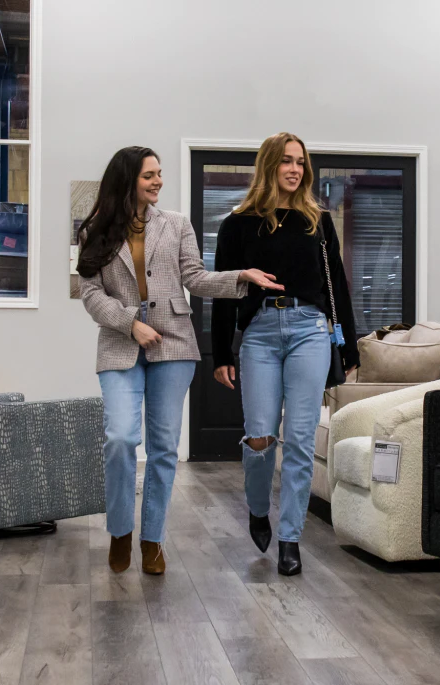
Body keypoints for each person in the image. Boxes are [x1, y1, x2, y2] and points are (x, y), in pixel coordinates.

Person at [78, 146, 281, 575]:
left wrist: (238, 277)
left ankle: (152, 539)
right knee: (119, 439)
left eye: (160, 174)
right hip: (120, 343)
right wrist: (130, 323)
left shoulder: (176, 225)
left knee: (164, 448)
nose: (158, 181)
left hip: (173, 344)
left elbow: (195, 278)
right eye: (149, 175)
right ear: (128, 179)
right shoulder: (95, 230)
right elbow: (91, 295)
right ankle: (120, 530)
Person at [212, 133, 360, 576]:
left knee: (298, 440)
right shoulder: (237, 224)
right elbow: (224, 292)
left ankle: (290, 539)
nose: (295, 170)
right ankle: (259, 511)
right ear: (269, 166)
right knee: (259, 438)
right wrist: (222, 352)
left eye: (301, 163)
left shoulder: (318, 220)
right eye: (287, 162)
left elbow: (337, 283)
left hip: (310, 332)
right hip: (258, 334)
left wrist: (349, 344)